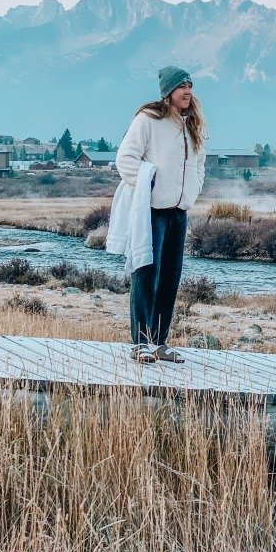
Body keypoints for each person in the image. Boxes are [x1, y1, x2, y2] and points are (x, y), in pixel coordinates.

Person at [115, 65, 207, 364]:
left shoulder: (191, 125)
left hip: (179, 212)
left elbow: (199, 165)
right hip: (152, 211)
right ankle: (140, 343)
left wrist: (191, 193)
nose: (188, 92)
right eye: (182, 87)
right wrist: (148, 185)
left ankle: (159, 342)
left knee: (170, 278)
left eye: (190, 86)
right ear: (169, 92)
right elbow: (125, 159)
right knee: (146, 274)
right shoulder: (149, 120)